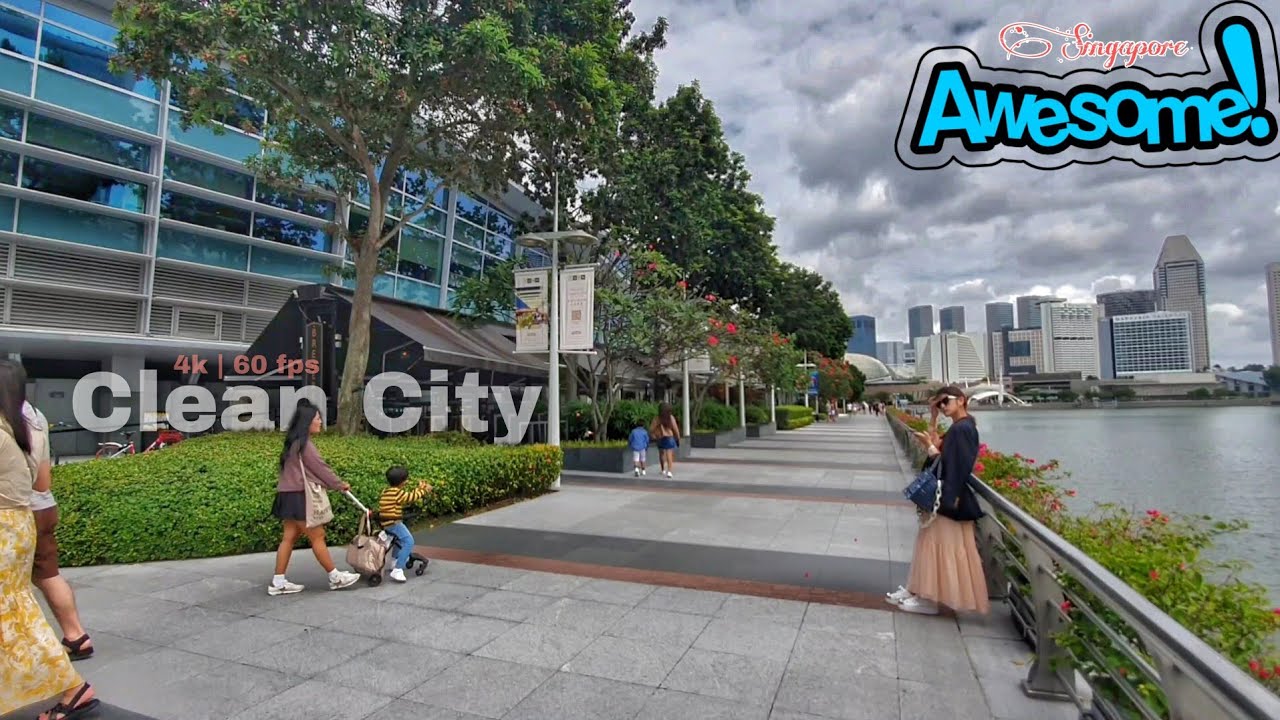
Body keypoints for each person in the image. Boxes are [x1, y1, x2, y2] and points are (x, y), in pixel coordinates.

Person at [0, 360, 99, 720]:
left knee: (14, 613)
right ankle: (71, 672)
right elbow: (43, 483)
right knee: (16, 606)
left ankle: (73, 687)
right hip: (21, 520)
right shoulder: (34, 422)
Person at [888, 386, 988, 615]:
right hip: (946, 497)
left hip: (949, 499)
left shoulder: (963, 429)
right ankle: (918, 590)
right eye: (939, 403)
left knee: (938, 547)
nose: (943, 406)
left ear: (962, 400)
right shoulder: (959, 426)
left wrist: (932, 449)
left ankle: (930, 598)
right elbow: (938, 448)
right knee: (930, 545)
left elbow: (956, 466)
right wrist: (932, 419)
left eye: (946, 401)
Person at [268, 399, 360, 595]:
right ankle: (335, 577)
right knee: (318, 536)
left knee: (289, 538)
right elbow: (320, 469)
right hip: (300, 497)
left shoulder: (292, 443)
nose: (320, 422)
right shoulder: (305, 445)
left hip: (286, 496)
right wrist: (339, 484)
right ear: (308, 421)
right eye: (318, 418)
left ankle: (278, 581)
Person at [25, 400, 93, 661]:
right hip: (43, 506)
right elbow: (44, 481)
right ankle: (76, 635)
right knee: (48, 574)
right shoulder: (35, 414)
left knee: (14, 588)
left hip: (16, 512)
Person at [376, 466, 433, 583]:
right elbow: (410, 498)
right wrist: (424, 490)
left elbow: (405, 497)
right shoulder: (397, 493)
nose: (407, 481)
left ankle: (394, 561)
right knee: (408, 541)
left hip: (386, 523)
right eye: (406, 479)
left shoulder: (387, 491)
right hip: (394, 523)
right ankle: (397, 569)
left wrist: (419, 488)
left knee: (399, 540)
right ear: (402, 481)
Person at [649, 403, 680, 478]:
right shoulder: (671, 418)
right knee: (669, 454)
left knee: (661, 454)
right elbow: (675, 429)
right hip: (669, 437)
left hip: (660, 438)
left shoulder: (657, 418)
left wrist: (654, 435)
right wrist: (677, 439)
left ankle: (663, 469)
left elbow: (651, 429)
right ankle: (669, 471)